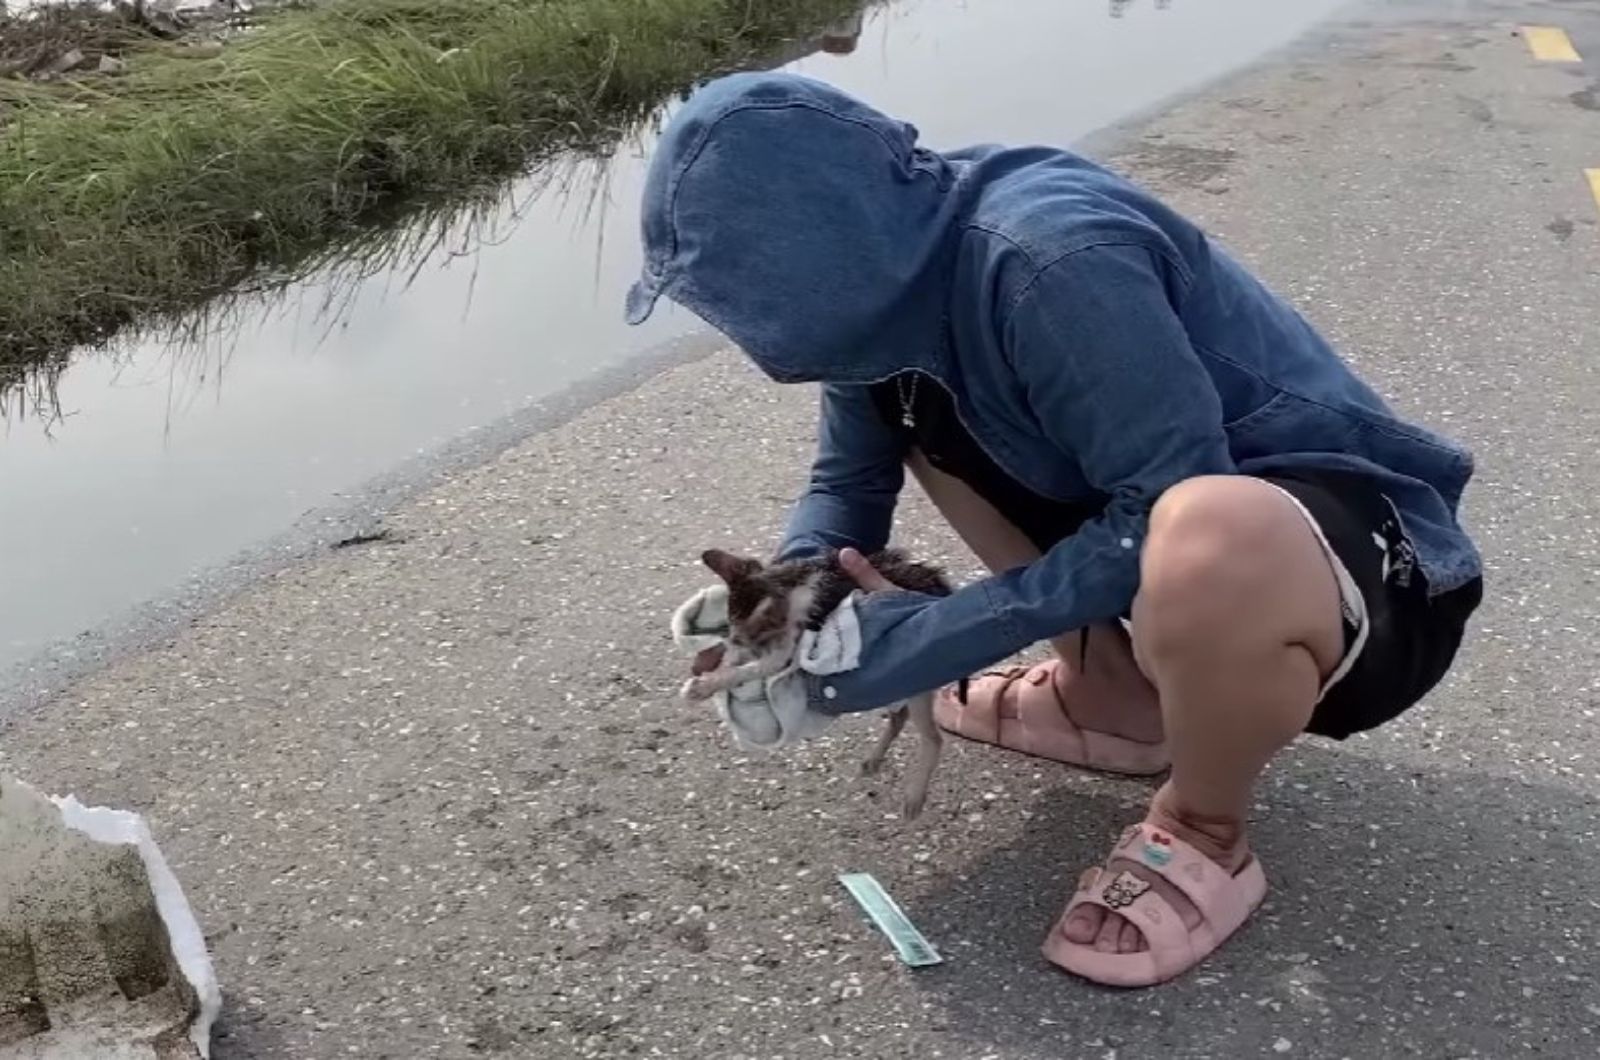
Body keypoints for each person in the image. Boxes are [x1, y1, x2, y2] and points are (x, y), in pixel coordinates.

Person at [626, 72, 1482, 987]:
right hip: (1193, 543)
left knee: (1202, 527)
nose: (738, 326)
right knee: (938, 424)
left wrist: (930, 640)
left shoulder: (1050, 263)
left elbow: (1163, 505)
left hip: (1367, 585)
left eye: (740, 294)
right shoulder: (890, 284)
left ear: (818, 250)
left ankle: (1207, 829)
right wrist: (793, 605)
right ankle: (1116, 696)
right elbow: (847, 482)